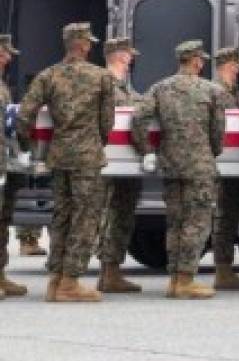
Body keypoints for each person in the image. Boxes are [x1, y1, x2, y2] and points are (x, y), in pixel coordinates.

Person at [17, 23, 115, 303]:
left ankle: (56, 279)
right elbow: (106, 121)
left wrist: (27, 146)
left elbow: (25, 114)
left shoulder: (49, 76)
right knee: (86, 218)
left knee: (61, 216)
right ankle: (70, 281)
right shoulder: (100, 77)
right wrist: (97, 142)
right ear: (83, 45)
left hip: (59, 155)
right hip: (87, 156)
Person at [132, 40, 224, 300]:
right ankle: (186, 280)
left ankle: (174, 279)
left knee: (175, 222)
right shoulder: (210, 90)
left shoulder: (160, 88)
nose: (202, 63)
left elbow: (139, 118)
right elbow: (219, 132)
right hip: (200, 165)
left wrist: (146, 150)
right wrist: (211, 152)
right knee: (197, 222)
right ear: (195, 60)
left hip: (171, 164)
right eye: (201, 59)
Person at [97, 37, 143, 293]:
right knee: (109, 214)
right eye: (129, 57)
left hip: (125, 163)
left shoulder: (125, 89)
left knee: (122, 214)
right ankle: (107, 270)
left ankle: (112, 271)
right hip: (109, 161)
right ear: (121, 57)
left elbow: (140, 107)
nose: (131, 61)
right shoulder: (105, 85)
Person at [209, 46, 239, 290]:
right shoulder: (219, 93)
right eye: (236, 65)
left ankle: (224, 268)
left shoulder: (230, 92)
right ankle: (222, 269)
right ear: (227, 65)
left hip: (231, 163)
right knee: (224, 216)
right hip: (224, 163)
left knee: (228, 214)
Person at [0, 34, 28, 299]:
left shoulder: (3, 85)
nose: (8, 58)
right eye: (4, 53)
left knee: (3, 217)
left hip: (4, 160)